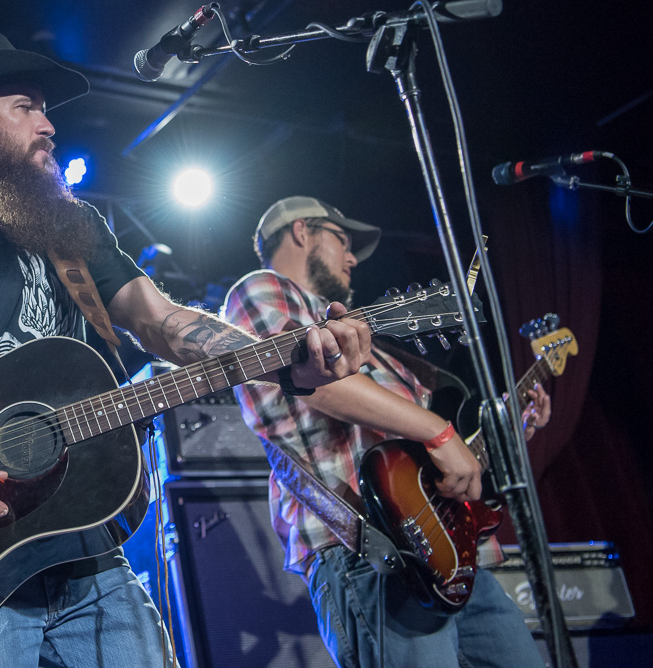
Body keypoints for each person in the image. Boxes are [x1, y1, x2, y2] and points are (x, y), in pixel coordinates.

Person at [0, 35, 372, 668]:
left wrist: (283, 355)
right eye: (26, 106)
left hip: (82, 552)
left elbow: (163, 322)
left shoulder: (73, 232)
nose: (49, 125)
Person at [223, 196, 552, 668]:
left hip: (448, 554)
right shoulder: (259, 290)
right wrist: (440, 433)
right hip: (367, 549)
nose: (353, 257)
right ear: (301, 231)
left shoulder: (384, 356)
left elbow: (433, 463)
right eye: (343, 240)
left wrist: (508, 431)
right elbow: (312, 382)